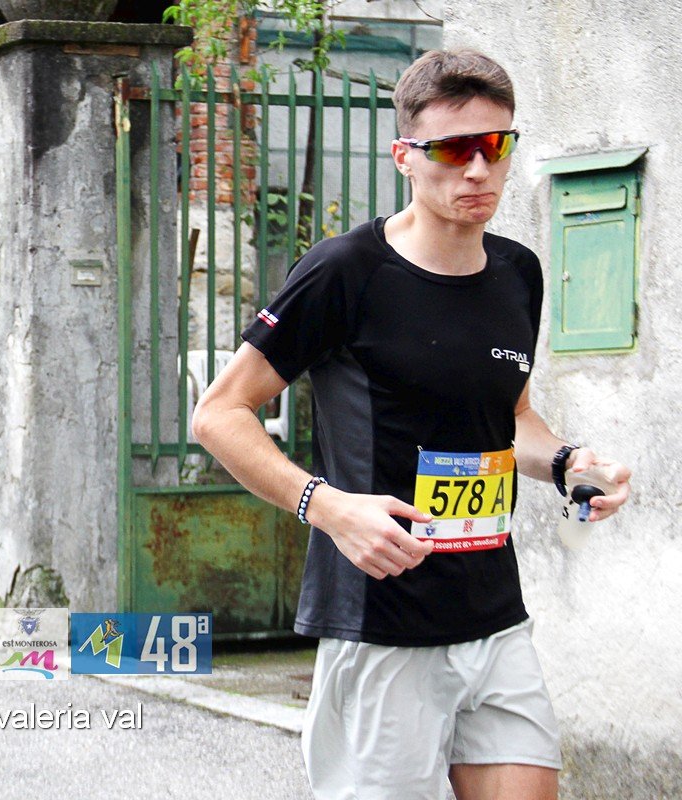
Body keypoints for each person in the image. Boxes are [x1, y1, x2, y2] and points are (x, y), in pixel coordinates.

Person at [192, 50, 631, 799]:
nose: (478, 170)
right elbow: (218, 414)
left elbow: (512, 415)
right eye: (454, 150)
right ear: (405, 157)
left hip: (495, 619)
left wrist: (567, 463)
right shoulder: (344, 271)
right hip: (382, 624)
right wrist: (327, 507)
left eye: (494, 145)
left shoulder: (518, 272)